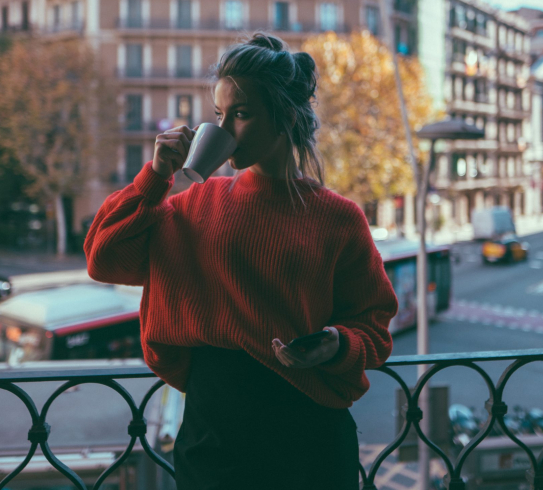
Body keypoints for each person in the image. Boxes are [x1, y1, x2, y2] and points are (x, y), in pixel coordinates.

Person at [84, 32, 398, 490]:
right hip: (215, 433)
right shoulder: (195, 203)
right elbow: (103, 258)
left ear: (286, 117)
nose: (223, 130)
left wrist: (336, 344)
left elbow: (374, 327)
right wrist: (156, 176)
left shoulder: (338, 217)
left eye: (241, 114)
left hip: (307, 433)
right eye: (218, 115)